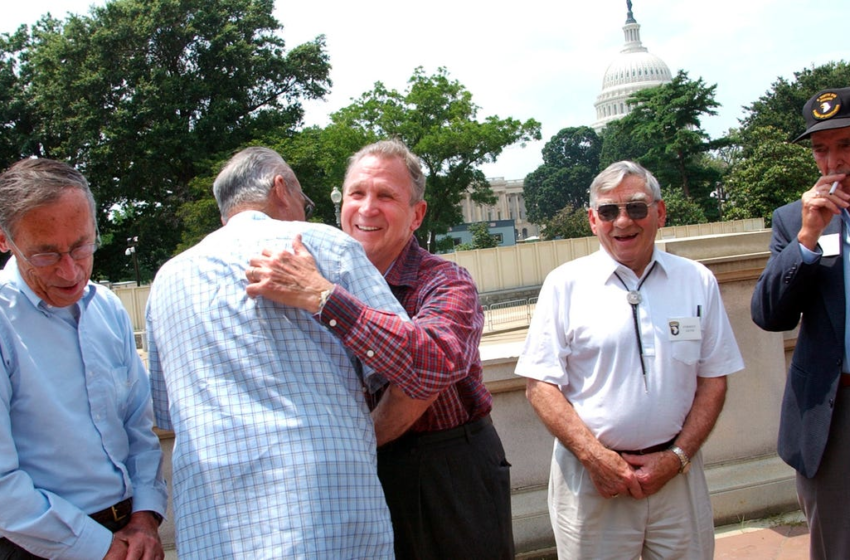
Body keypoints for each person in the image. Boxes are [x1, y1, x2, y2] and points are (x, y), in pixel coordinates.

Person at [247, 139, 515, 559]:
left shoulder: (445, 282)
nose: (367, 208)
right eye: (357, 193)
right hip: (351, 468)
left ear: (417, 214)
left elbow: (433, 360)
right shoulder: (308, 271)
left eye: (386, 196)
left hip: (445, 471)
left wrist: (324, 299)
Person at [146, 147, 408, 558]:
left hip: (213, 523)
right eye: (305, 203)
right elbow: (409, 360)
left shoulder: (167, 279)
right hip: (325, 513)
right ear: (281, 189)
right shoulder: (323, 245)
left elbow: (167, 413)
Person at [515, 161, 744, 559]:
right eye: (608, 211)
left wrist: (677, 457)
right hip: (593, 482)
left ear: (660, 212)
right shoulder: (565, 285)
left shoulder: (696, 280)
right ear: (592, 220)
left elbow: (713, 379)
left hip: (677, 478)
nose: (623, 221)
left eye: (636, 208)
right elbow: (540, 386)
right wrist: (595, 458)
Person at [0, 158, 167, 559]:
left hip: (130, 534)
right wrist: (97, 547)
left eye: (82, 245)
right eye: (46, 255)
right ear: (5, 240)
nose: (71, 270)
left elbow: (138, 430)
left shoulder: (107, 308)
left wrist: (144, 518)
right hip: (37, 546)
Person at [751, 87, 850, 560]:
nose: (833, 161)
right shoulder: (794, 221)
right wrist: (809, 238)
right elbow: (770, 315)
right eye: (821, 149)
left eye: (846, 145)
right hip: (834, 410)